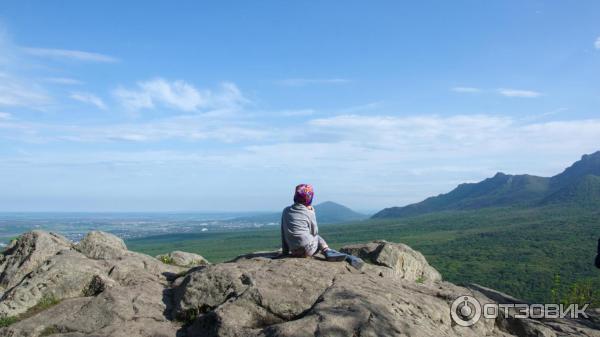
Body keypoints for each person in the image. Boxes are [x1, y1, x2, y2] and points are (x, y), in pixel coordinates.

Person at [280, 184, 364, 269]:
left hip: (294, 251)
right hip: (308, 250)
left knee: (308, 236)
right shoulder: (308, 212)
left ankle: (329, 251)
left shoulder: (286, 210)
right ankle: (327, 251)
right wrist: (312, 211)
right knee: (317, 236)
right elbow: (315, 231)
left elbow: (284, 232)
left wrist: (285, 252)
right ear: (309, 198)